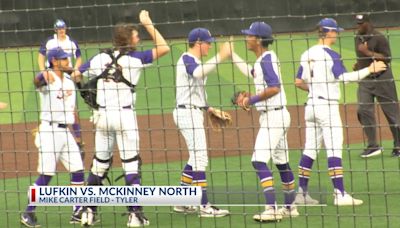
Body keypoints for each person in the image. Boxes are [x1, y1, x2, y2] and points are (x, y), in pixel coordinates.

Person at [72, 10, 170, 227]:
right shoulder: (135, 59)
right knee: (131, 165)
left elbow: (76, 74)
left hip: (103, 118)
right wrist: (148, 23)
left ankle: (88, 212)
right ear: (128, 39)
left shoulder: (100, 57)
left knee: (99, 164)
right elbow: (164, 48)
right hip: (125, 118)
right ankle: (135, 215)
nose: (139, 38)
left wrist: (89, 94)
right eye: (136, 36)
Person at [294, 18, 387, 206]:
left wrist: (316, 88)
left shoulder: (307, 53)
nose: (337, 34)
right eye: (335, 31)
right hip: (326, 107)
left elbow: (298, 82)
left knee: (310, 149)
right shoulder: (331, 54)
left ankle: (301, 194)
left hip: (310, 106)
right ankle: (340, 193)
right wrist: (370, 69)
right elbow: (344, 78)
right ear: (328, 32)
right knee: (334, 148)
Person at [231, 21, 298, 222]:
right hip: (277, 115)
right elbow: (252, 73)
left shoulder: (266, 59)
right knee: (282, 162)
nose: (247, 38)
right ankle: (290, 206)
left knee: (258, 160)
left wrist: (250, 100)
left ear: (258, 40)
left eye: (249, 35)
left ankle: (271, 208)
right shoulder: (263, 60)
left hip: (274, 118)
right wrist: (231, 55)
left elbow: (275, 87)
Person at [20, 47, 85, 227]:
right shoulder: (49, 78)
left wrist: (78, 137)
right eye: (64, 59)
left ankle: (77, 211)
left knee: (78, 170)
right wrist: (42, 76)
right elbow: (37, 82)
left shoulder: (70, 82)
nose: (68, 62)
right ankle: (28, 212)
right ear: (54, 61)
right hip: (49, 132)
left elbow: (74, 111)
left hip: (66, 132)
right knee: (47, 174)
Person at [172, 28, 231, 217]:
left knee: (194, 157)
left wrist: (210, 109)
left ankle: (181, 201)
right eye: (208, 42)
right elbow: (197, 74)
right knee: (200, 158)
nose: (210, 45)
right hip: (186, 113)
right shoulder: (187, 59)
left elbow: (196, 91)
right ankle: (205, 206)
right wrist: (220, 56)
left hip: (192, 111)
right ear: (198, 42)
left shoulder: (195, 61)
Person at [354, 14, 400, 158]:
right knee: (363, 110)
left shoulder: (379, 37)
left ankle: (398, 145)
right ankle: (373, 145)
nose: (359, 26)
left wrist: (367, 52)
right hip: (365, 80)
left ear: (368, 23)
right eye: (357, 24)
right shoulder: (357, 38)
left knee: (392, 113)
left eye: (361, 24)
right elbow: (362, 58)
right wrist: (358, 66)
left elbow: (387, 58)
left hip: (383, 79)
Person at [38, 19, 85, 155]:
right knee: (49, 106)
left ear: (66, 28)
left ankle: (77, 139)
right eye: (59, 29)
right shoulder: (49, 41)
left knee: (72, 109)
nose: (61, 30)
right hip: (51, 77)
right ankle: (46, 133)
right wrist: (43, 71)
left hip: (67, 76)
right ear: (55, 30)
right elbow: (40, 56)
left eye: (63, 28)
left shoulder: (71, 42)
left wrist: (75, 69)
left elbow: (79, 57)